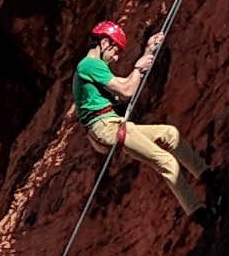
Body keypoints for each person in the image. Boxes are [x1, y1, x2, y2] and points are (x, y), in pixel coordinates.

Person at [72, 20, 203, 213]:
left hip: (110, 124)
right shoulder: (90, 65)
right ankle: (199, 212)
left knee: (170, 135)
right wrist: (139, 67)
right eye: (116, 51)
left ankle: (207, 176)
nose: (116, 58)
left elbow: (123, 86)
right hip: (106, 127)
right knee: (166, 162)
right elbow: (126, 90)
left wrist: (148, 52)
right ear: (105, 43)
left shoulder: (92, 67)